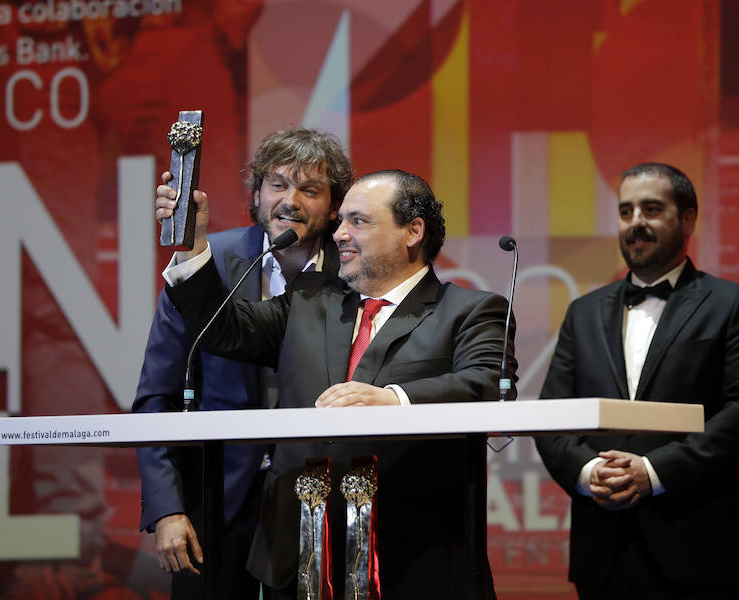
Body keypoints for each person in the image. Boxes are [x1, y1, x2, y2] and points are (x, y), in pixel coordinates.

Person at [163, 169, 515, 599]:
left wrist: (394, 400)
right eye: (341, 220)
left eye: (358, 222)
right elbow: (225, 330)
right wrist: (195, 244)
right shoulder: (309, 299)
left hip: (413, 559)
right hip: (297, 558)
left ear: (412, 232)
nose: (340, 233)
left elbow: (488, 384)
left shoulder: (469, 311)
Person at [535, 162, 739, 599]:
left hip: (697, 547)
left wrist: (654, 471)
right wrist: (590, 473)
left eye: (651, 209)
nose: (636, 223)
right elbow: (553, 417)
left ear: (687, 219)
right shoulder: (583, 312)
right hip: (601, 549)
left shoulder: (731, 302)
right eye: (626, 211)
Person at [132, 127, 354, 598]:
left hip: (317, 500)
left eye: (309, 189)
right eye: (277, 184)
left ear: (335, 207)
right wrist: (168, 509)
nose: (289, 200)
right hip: (216, 499)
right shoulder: (202, 266)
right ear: (256, 195)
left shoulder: (356, 270)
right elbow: (156, 396)